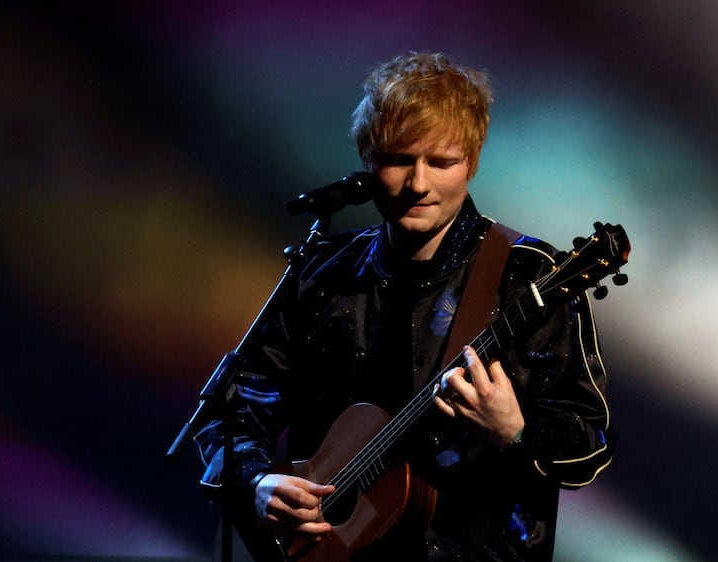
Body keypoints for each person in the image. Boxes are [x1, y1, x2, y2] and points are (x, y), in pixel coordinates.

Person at [194, 51, 615, 561]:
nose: (418, 184)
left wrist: (517, 433)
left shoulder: (528, 276)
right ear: (369, 160)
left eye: (442, 162)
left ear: (473, 162)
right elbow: (233, 408)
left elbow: (588, 443)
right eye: (398, 159)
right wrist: (257, 482)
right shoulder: (325, 272)